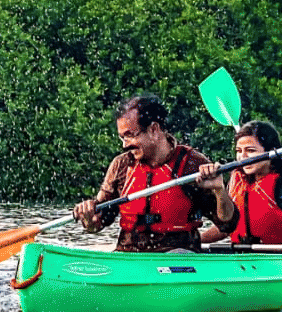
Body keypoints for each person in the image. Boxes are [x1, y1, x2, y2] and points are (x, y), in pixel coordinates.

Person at [72, 95, 234, 252]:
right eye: (122, 138)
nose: (124, 145)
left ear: (154, 129)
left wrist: (220, 191)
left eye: (129, 135)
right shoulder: (121, 165)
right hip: (129, 255)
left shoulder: (192, 164)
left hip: (179, 255)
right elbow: (98, 222)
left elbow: (228, 224)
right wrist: (89, 219)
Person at [198, 120, 282, 251]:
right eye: (239, 150)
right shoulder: (237, 179)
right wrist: (194, 240)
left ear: (271, 151)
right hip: (241, 258)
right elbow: (227, 227)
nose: (243, 157)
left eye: (250, 150)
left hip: (280, 259)